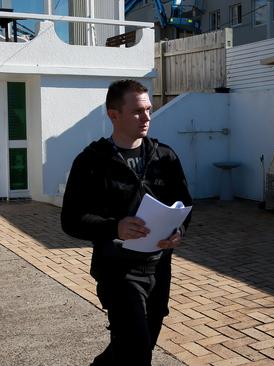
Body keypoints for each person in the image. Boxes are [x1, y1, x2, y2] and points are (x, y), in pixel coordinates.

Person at [61, 79, 192, 365]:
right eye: (137, 111)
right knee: (137, 350)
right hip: (117, 270)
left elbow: (185, 204)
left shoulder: (165, 157)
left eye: (149, 109)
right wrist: (114, 227)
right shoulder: (92, 161)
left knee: (134, 346)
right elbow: (71, 220)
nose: (147, 117)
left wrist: (178, 230)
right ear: (113, 115)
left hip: (159, 268)